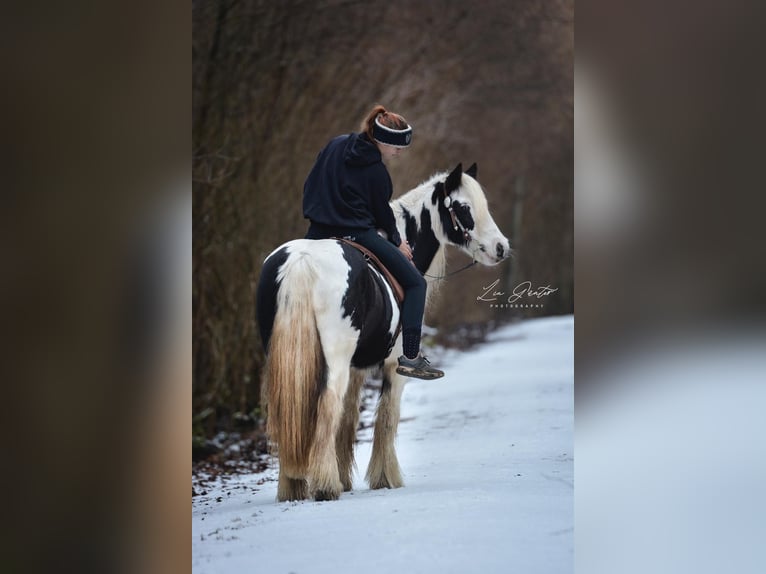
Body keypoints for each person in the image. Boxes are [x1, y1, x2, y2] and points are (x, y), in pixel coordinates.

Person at [302, 104, 444, 380]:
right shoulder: (377, 172)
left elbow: (311, 184)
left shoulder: (335, 145)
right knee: (417, 283)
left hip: (317, 231)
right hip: (357, 234)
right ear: (381, 140)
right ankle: (411, 356)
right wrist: (397, 241)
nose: (399, 153)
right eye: (397, 147)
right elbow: (382, 214)